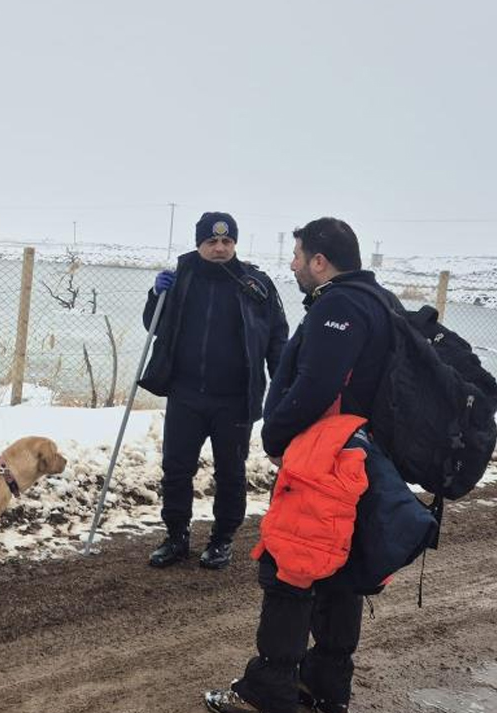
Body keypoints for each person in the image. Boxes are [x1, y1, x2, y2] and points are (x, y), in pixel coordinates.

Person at [204, 218, 405, 713]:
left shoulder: (340, 305)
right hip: (360, 460)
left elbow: (316, 385)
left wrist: (275, 435)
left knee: (291, 568)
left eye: (297, 255)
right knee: (338, 571)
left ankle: (269, 691)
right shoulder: (380, 301)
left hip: (325, 463)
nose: (292, 264)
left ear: (319, 261)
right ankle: (326, 687)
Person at [139, 212, 288, 570]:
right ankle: (176, 536)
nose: (220, 248)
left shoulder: (256, 284)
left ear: (234, 243)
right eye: (212, 241)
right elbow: (153, 325)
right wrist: (155, 295)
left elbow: (277, 338)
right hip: (186, 394)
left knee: (231, 472)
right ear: (199, 244)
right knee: (176, 469)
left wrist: (282, 389)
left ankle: (222, 539)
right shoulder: (181, 278)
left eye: (226, 241)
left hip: (235, 399)